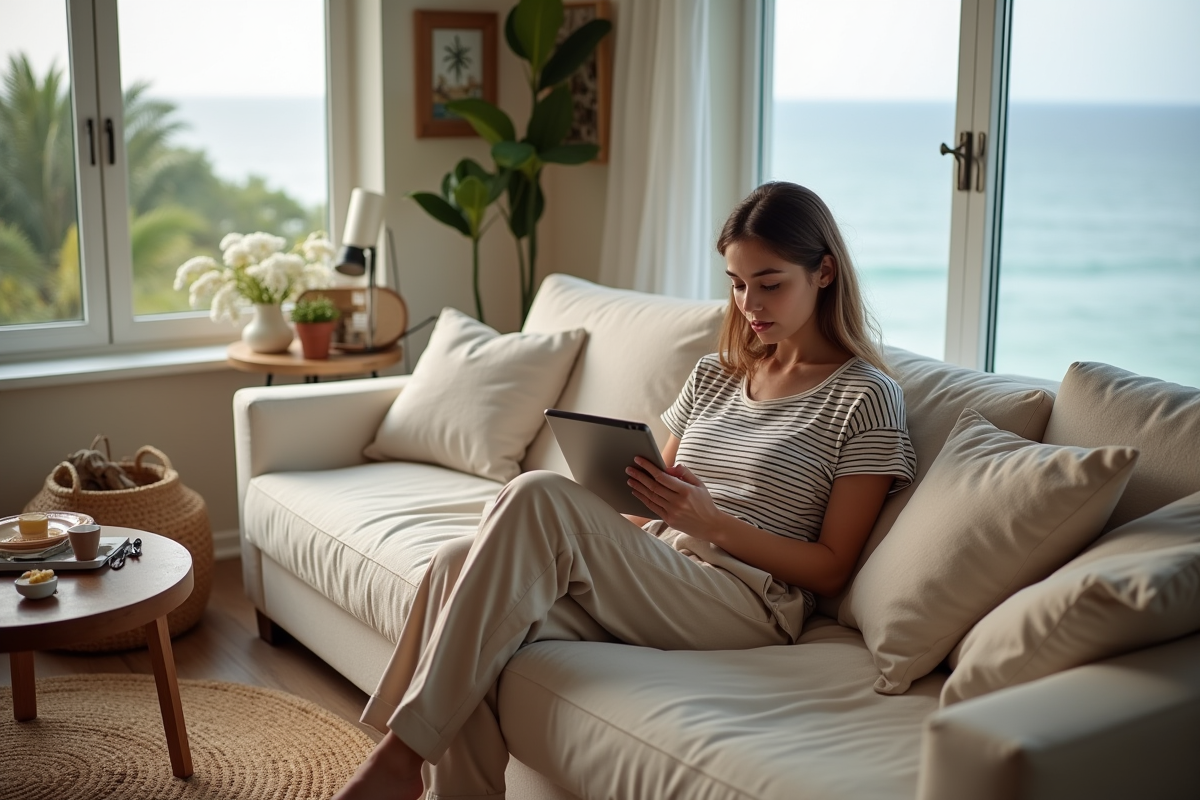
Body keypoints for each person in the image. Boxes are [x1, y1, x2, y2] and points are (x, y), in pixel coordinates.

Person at [334, 182, 916, 800]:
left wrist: (711, 523)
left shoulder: (865, 396)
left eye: (770, 283)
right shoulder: (716, 373)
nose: (750, 303)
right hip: (662, 571)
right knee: (456, 563)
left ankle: (397, 763)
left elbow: (831, 571)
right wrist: (613, 526)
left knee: (537, 495)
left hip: (748, 603)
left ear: (824, 272)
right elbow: (646, 502)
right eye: (737, 283)